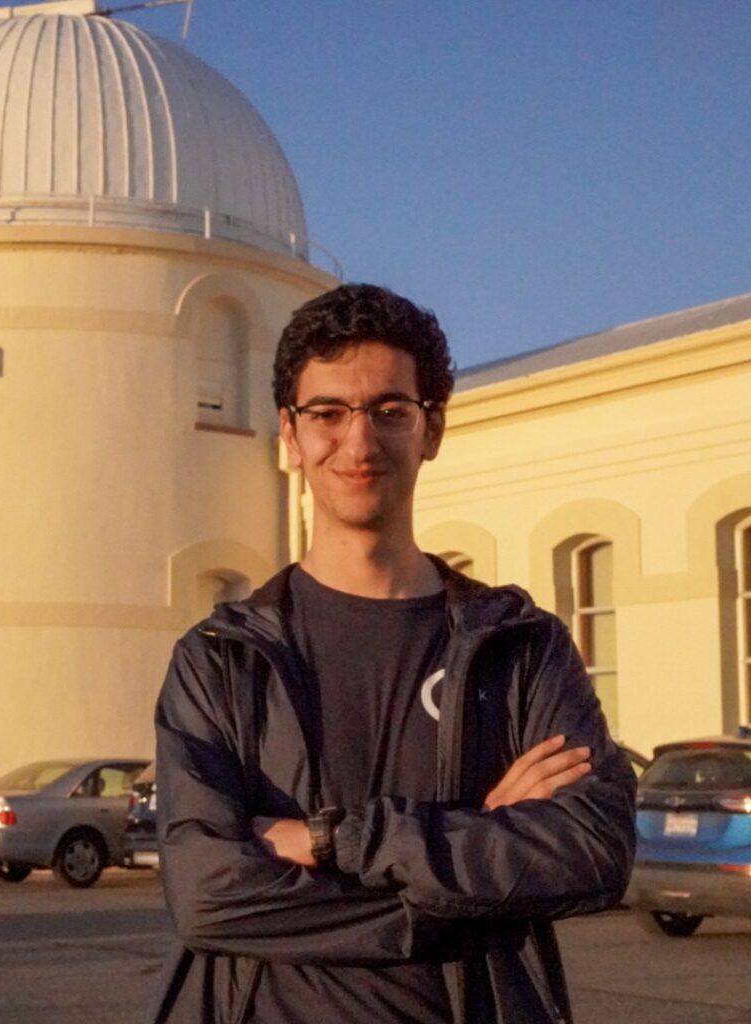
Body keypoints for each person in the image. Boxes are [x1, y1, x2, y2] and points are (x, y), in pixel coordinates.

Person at [152, 283, 636, 1024]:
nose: (358, 442)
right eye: (327, 413)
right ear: (289, 433)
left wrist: (334, 840)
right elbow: (207, 897)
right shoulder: (221, 660)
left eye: (389, 410)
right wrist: (472, 866)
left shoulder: (517, 645)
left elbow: (592, 850)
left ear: (431, 428)